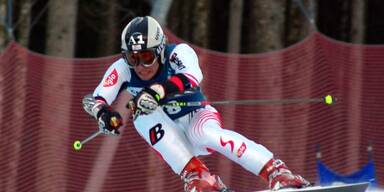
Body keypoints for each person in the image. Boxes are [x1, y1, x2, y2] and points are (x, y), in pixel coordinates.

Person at [82, 16, 311, 192]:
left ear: (160, 50)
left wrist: (157, 90)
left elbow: (193, 76)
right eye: (133, 58)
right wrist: (104, 115)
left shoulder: (178, 53)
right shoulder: (122, 69)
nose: (140, 66)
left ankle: (276, 171)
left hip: (195, 116)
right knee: (141, 116)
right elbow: (95, 98)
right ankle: (199, 177)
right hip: (170, 133)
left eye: (146, 57)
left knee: (202, 133)